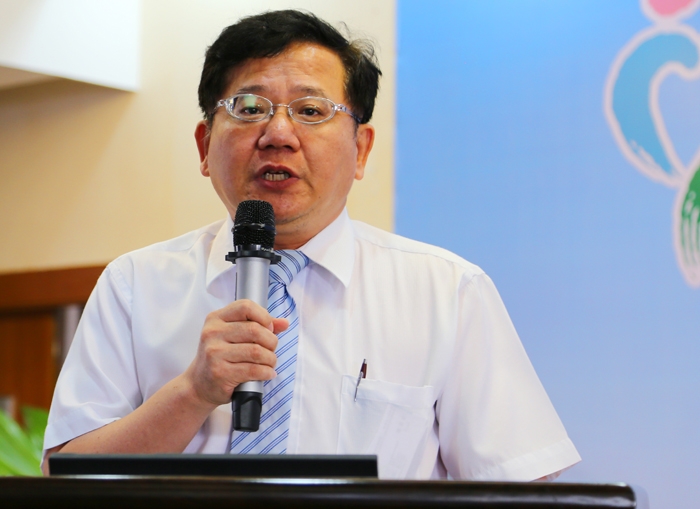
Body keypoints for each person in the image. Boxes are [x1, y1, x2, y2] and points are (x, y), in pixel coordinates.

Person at [43, 10, 580, 479]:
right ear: (205, 147)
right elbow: (66, 477)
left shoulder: (447, 291)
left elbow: (518, 483)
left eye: (311, 111)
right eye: (249, 108)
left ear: (361, 149)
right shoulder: (134, 285)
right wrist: (192, 393)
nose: (278, 134)